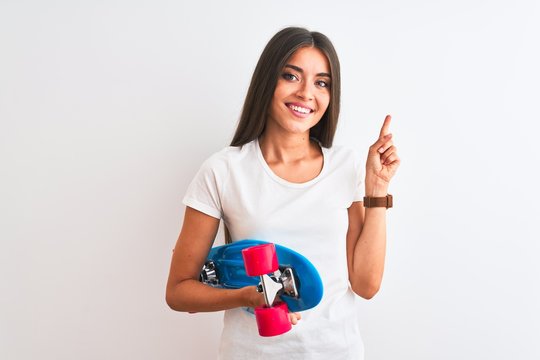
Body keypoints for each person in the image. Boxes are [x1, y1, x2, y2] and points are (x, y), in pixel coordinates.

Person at [166, 26, 400, 360]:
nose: (307, 93)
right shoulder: (223, 170)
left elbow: (366, 284)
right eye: (291, 76)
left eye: (322, 83)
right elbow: (179, 291)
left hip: (337, 351)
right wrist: (249, 296)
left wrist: (377, 190)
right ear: (267, 82)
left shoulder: (344, 166)